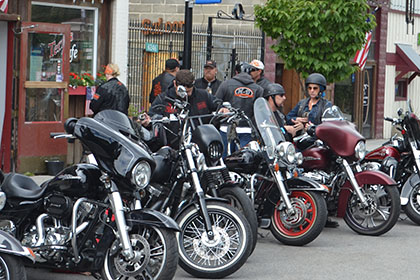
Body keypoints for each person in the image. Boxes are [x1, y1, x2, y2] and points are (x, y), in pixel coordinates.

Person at [148, 69, 221, 148]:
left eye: (189, 91)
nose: (186, 95)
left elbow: (217, 103)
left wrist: (223, 108)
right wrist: (149, 121)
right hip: (172, 146)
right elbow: (152, 115)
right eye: (183, 92)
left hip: (200, 145)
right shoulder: (163, 98)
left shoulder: (203, 95)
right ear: (175, 84)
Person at [215, 62, 264, 157]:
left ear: (236, 72)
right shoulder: (258, 89)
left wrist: (223, 109)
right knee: (244, 159)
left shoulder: (225, 85)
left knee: (224, 158)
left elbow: (216, 102)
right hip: (246, 129)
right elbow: (259, 110)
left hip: (226, 128)